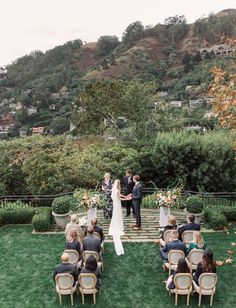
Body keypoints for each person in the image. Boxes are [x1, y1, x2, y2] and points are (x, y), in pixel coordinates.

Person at [108, 179, 131, 255]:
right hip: (117, 205)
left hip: (115, 204)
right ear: (118, 184)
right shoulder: (117, 190)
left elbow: (120, 195)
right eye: (119, 184)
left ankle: (117, 226)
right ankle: (118, 227)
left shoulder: (114, 190)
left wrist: (126, 196)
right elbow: (119, 198)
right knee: (117, 216)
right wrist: (127, 198)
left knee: (116, 216)